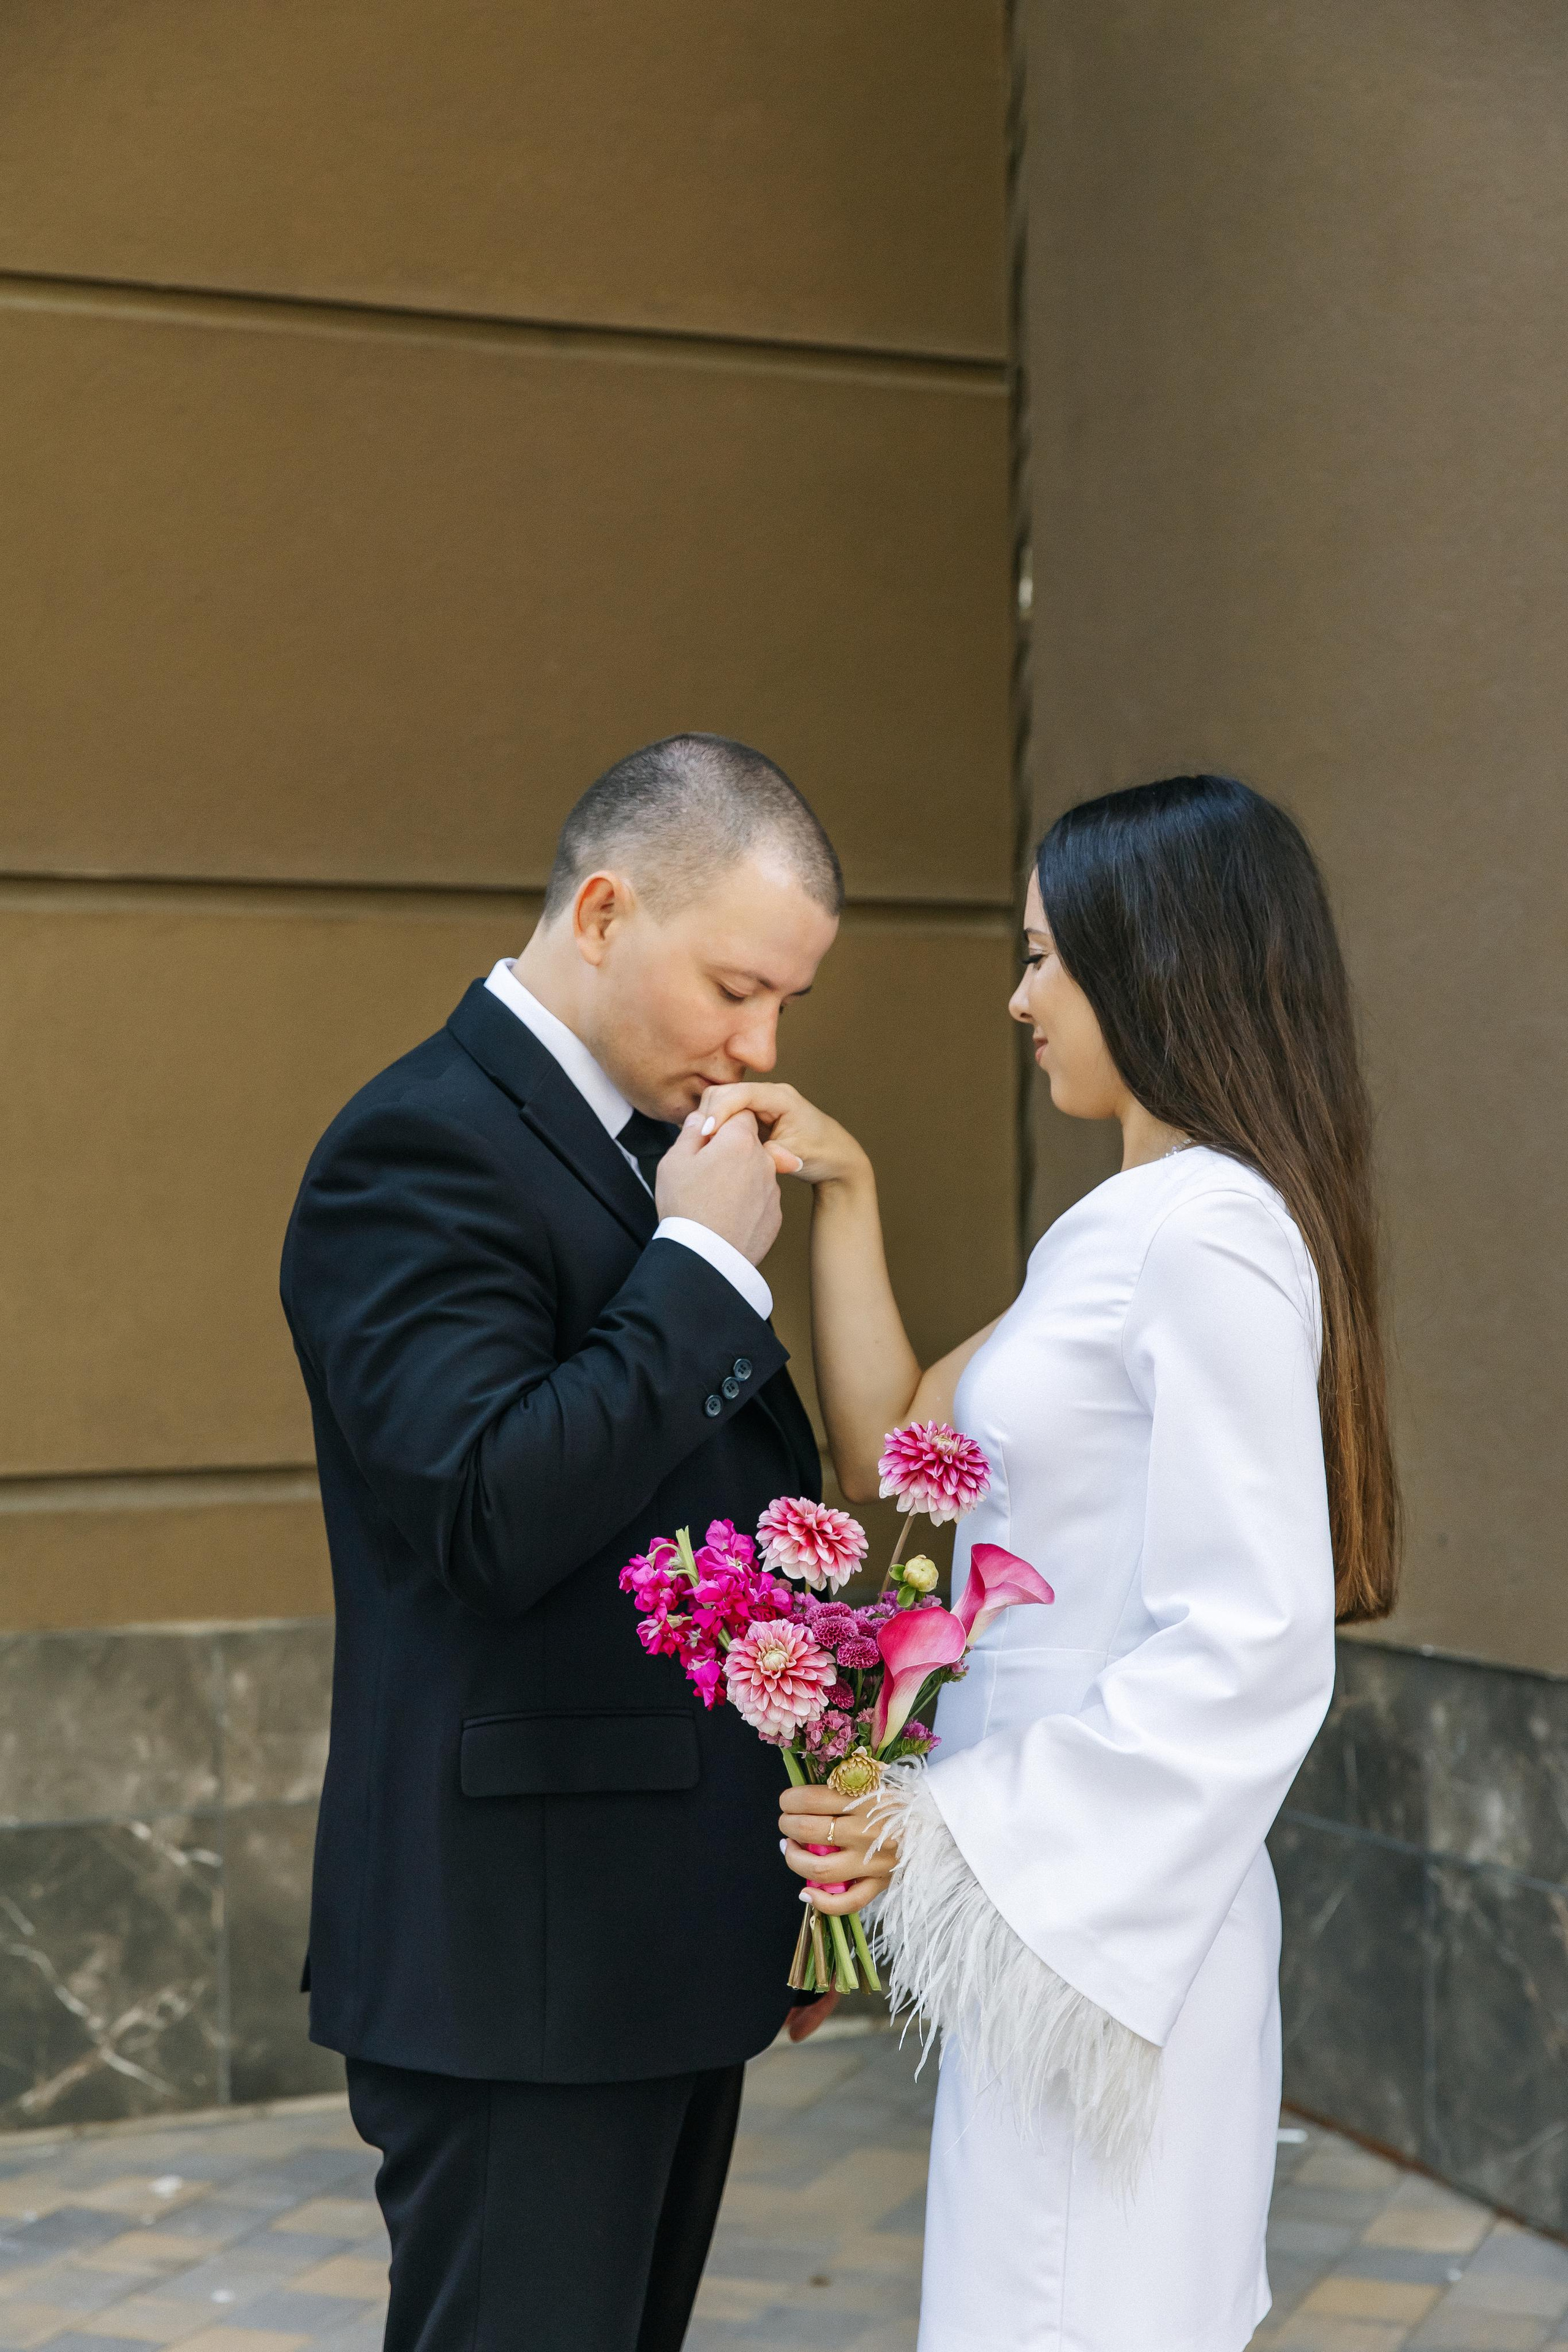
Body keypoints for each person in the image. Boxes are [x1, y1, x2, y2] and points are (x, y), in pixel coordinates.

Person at [696, 774, 1400, 2351]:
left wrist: (937, 1827)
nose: (1018, 999)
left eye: (1041, 958)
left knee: (1076, 2310)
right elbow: (904, 1451)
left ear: (1146, 958)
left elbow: (1252, 1638)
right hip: (1049, 1906)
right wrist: (849, 1189)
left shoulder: (1200, 1231)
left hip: (1099, 1895)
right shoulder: (1125, 1226)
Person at [279, 734, 845, 2352]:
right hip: (518, 1972)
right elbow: (480, 1510)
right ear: (603, 911)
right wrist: (700, 1274)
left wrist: (791, 1876)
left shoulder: (635, 1148)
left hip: (654, 1943)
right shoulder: (419, 1150)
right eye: (737, 987)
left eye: (788, 1004)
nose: (759, 1044)